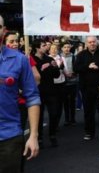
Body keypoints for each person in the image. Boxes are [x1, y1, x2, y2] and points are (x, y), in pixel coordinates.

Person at [0, 15, 41, 172]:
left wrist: (33, 135)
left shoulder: (20, 60)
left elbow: (32, 97)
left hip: (9, 138)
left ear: (3, 31)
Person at [74, 36, 99, 141]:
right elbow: (76, 69)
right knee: (88, 111)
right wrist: (87, 66)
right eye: (90, 42)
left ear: (97, 43)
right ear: (86, 44)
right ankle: (89, 132)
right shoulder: (81, 55)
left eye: (93, 42)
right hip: (86, 87)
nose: (92, 44)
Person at [32, 39, 61, 148]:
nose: (46, 47)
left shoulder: (49, 59)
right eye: (43, 45)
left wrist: (55, 66)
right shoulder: (31, 59)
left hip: (51, 91)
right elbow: (31, 75)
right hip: (37, 92)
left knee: (54, 113)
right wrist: (41, 69)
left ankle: (52, 135)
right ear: (37, 48)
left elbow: (57, 75)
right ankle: (38, 138)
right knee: (38, 116)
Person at [61, 40, 78, 126]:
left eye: (68, 47)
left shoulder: (74, 57)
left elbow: (77, 68)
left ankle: (73, 119)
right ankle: (67, 119)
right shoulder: (59, 57)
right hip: (63, 82)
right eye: (65, 47)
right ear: (62, 48)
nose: (67, 49)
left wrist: (73, 73)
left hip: (73, 81)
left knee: (72, 101)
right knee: (65, 102)